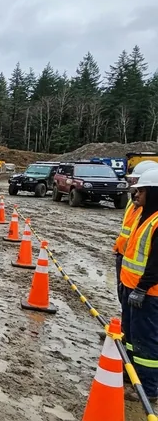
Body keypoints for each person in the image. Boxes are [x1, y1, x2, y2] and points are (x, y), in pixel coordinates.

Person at [120, 167, 158, 402]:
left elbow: (156, 263)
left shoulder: (156, 221)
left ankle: (149, 388)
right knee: (133, 336)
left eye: (141, 191)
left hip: (148, 293)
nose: (136, 194)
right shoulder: (144, 215)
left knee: (146, 340)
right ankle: (132, 373)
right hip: (131, 286)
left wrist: (142, 288)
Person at [114, 161, 158, 302]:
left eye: (137, 182)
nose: (133, 185)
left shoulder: (149, 210)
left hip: (144, 284)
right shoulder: (134, 203)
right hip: (126, 263)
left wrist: (142, 288)